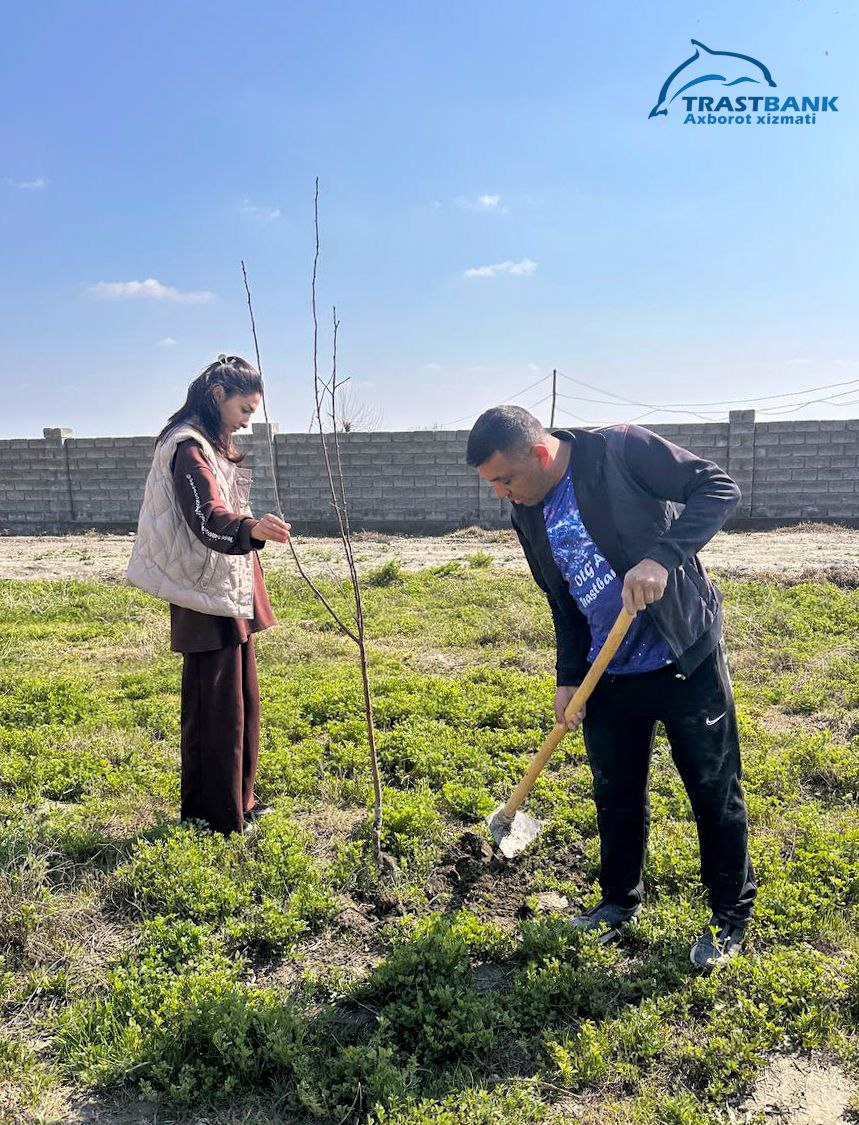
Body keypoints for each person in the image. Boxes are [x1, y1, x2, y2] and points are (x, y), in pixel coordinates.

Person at [466, 406, 756, 970]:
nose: (500, 494)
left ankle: (729, 916)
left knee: (712, 789)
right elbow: (563, 600)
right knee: (616, 792)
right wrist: (568, 678)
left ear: (540, 454)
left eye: (504, 479)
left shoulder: (621, 450)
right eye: (492, 483)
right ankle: (619, 902)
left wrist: (663, 557)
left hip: (681, 656)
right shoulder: (527, 512)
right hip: (608, 672)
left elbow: (719, 488)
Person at [126, 355, 291, 835]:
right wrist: (250, 528)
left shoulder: (214, 444)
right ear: (218, 395)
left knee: (242, 700)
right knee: (215, 708)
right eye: (244, 408)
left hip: (226, 582)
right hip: (203, 591)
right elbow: (206, 518)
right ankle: (213, 814)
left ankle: (240, 799)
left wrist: (249, 530)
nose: (247, 420)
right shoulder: (187, 446)